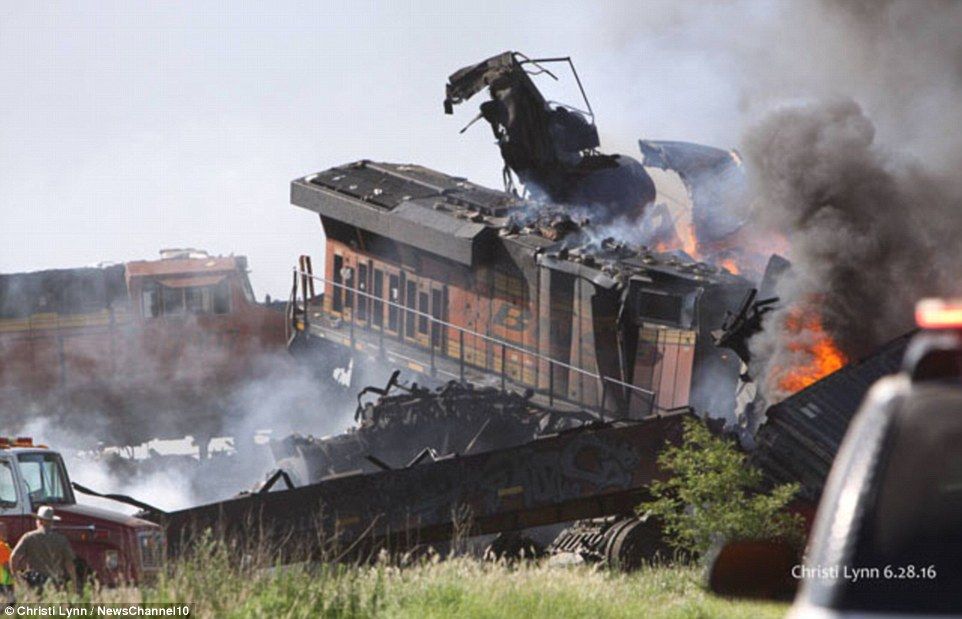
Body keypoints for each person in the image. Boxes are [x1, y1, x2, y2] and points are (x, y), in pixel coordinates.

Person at [10, 506, 77, 592]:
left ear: (40, 521)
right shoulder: (61, 539)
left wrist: (16, 577)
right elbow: (69, 563)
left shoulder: (29, 537)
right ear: (51, 522)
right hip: (55, 582)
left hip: (34, 582)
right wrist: (74, 584)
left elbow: (14, 557)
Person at [0, 521, 13, 604]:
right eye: (2, 530)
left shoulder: (4, 545)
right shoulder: (1, 546)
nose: (6, 533)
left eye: (6, 530)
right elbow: (6, 566)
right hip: (4, 584)